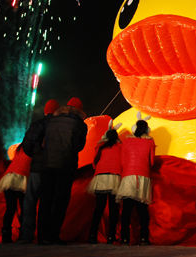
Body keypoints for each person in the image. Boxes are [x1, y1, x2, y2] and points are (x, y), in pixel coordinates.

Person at [37, 97, 87, 245]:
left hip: (47, 163)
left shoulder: (52, 120)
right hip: (65, 164)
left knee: (46, 199)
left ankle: (41, 235)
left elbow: (41, 140)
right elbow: (80, 146)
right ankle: (52, 234)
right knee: (60, 200)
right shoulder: (80, 124)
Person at [17, 99, 59, 244]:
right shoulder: (58, 125)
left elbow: (26, 145)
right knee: (48, 202)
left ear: (45, 110)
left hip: (36, 168)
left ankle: (26, 235)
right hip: (52, 167)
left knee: (30, 201)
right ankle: (45, 235)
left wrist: (35, 155)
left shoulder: (37, 124)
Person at [116, 114, 155, 246]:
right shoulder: (150, 141)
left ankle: (125, 238)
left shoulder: (126, 141)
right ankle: (144, 238)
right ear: (147, 130)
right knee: (142, 209)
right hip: (143, 176)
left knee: (126, 209)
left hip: (128, 176)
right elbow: (152, 162)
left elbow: (122, 161)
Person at [86, 121, 122, 244]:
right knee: (113, 208)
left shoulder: (100, 146)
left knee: (99, 207)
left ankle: (92, 234)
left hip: (100, 176)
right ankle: (111, 236)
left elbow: (94, 163)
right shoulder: (120, 147)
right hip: (115, 176)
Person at [0, 143, 31, 243]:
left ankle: (6, 235)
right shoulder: (34, 148)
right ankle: (23, 235)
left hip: (9, 177)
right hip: (22, 177)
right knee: (24, 208)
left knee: (10, 208)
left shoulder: (19, 149)